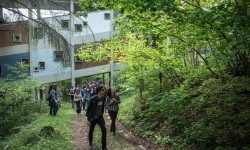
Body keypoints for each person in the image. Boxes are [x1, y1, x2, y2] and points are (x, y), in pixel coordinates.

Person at [86, 85, 108, 150]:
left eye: (104, 89)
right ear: (99, 91)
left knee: (104, 129)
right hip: (93, 118)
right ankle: (90, 143)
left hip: (99, 117)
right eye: (102, 90)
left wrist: (102, 113)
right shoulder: (92, 99)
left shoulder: (103, 98)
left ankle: (104, 147)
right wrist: (88, 119)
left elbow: (102, 106)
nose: (104, 91)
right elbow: (88, 109)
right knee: (91, 130)